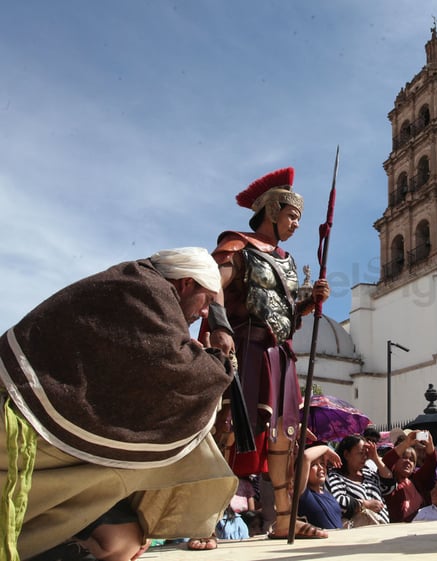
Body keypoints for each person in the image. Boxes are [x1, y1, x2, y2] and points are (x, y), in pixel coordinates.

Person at [0, 248, 238, 560]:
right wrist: (220, 364)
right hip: (18, 421)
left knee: (124, 538)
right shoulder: (144, 290)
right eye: (205, 301)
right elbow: (178, 372)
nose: (205, 312)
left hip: (44, 431)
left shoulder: (139, 288)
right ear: (185, 284)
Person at [204, 167, 331, 542]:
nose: (296, 224)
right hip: (245, 346)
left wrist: (308, 302)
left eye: (299, 218)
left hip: (280, 354)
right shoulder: (236, 245)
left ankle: (284, 520)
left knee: (284, 439)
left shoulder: (288, 261)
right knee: (229, 430)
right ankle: (208, 521)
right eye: (292, 215)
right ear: (272, 210)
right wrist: (220, 327)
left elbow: (282, 311)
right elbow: (214, 284)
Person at [326, 435, 395, 527]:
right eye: (361, 453)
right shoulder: (335, 476)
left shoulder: (369, 473)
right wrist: (365, 504)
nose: (364, 457)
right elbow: (338, 501)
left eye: (366, 454)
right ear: (346, 454)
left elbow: (389, 487)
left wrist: (376, 458)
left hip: (383, 528)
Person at [382, 429, 437, 522]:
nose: (408, 461)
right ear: (395, 461)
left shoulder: (417, 480)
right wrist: (407, 443)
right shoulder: (387, 481)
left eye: (412, 459)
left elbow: (431, 464)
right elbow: (387, 461)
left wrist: (430, 444)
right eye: (404, 457)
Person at [297, 443, 343, 530]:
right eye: (314, 464)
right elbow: (305, 456)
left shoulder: (328, 494)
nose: (321, 468)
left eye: (322, 463)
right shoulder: (302, 493)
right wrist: (326, 448)